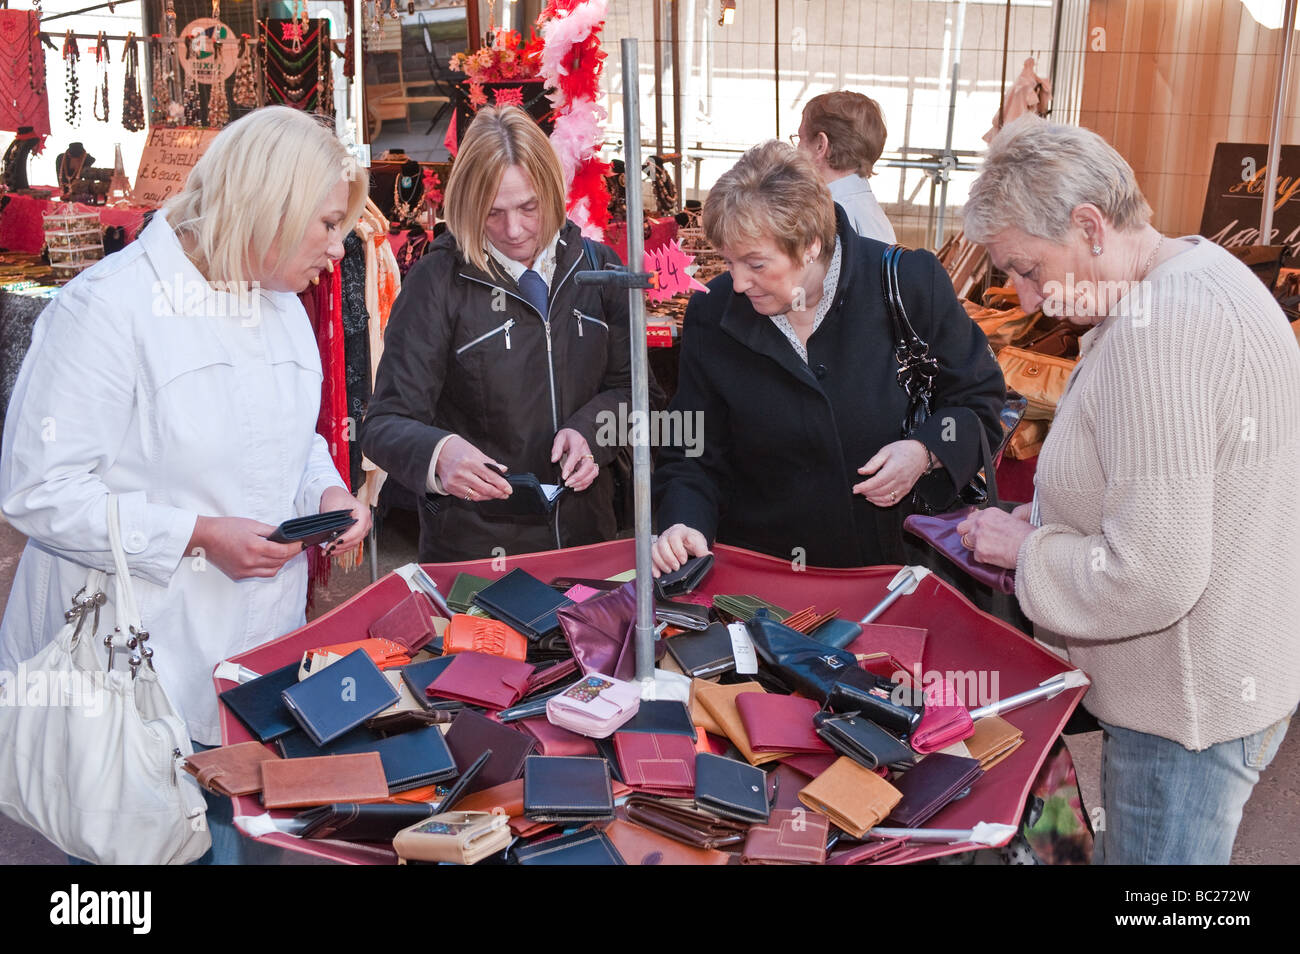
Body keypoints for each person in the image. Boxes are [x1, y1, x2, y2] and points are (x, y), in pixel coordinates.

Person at [0, 105, 372, 864]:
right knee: (137, 852)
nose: (337, 250)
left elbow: (291, 435)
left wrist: (327, 497)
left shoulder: (278, 304)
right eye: (327, 224)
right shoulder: (108, 309)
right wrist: (197, 536)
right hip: (132, 669)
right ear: (269, 204)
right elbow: (37, 490)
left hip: (250, 652)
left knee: (232, 836)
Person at [956, 116, 1299, 864]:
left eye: (1027, 268)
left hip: (1184, 713)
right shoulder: (1200, 272)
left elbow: (1152, 573)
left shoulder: (1159, 328)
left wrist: (1029, 550)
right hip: (1227, 680)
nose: (1023, 297)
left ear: (1090, 225)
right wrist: (1056, 515)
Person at [652, 140, 1003, 572]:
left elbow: (978, 400)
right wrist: (684, 522)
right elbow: (692, 449)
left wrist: (925, 451)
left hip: (892, 571)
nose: (739, 283)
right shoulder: (713, 310)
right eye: (729, 262)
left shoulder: (908, 284)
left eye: (757, 264)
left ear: (812, 245)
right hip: (766, 578)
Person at [361, 105, 632, 562]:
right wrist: (439, 454)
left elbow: (636, 393)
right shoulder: (436, 282)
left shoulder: (599, 269)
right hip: (474, 553)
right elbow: (384, 424)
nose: (514, 230)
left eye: (529, 208)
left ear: (553, 191)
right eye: (493, 214)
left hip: (586, 543)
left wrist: (593, 434)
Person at [796, 90, 896, 244]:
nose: (797, 148)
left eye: (800, 138)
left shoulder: (826, 220)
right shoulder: (875, 216)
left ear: (820, 145)